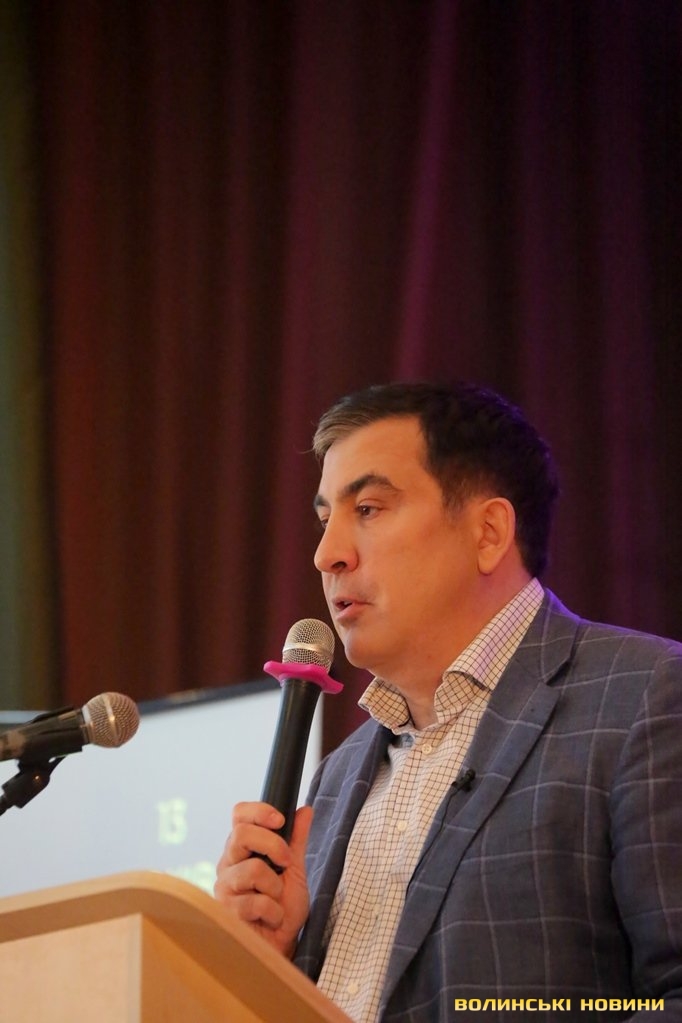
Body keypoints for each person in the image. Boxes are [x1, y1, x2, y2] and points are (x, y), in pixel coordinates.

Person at [214, 381, 682, 1022]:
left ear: (488, 532)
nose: (327, 555)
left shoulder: (646, 695)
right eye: (325, 521)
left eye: (369, 509)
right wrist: (273, 966)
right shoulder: (336, 778)